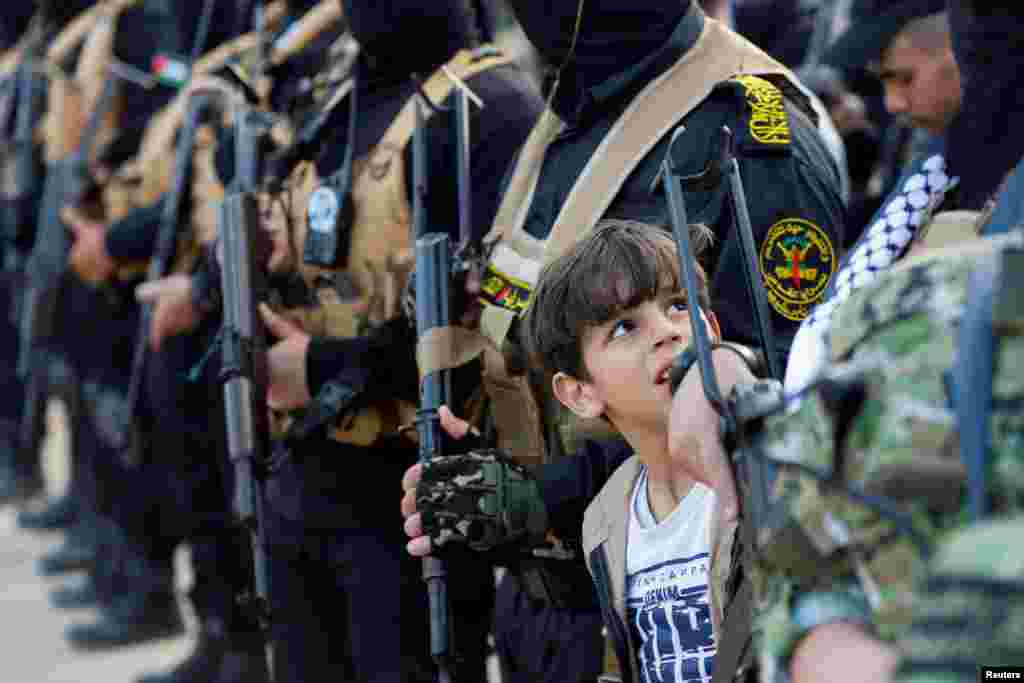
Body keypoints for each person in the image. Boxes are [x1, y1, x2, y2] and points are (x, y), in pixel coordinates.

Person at [403, 1, 845, 679]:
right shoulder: (574, 111)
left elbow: (773, 406)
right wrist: (483, 457)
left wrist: (540, 492)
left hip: (664, 616)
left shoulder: (747, 132)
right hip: (538, 606)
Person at [527, 219, 758, 683]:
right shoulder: (606, 518)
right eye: (623, 328)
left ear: (710, 328)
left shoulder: (762, 466)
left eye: (677, 305)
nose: (666, 332)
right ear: (579, 394)